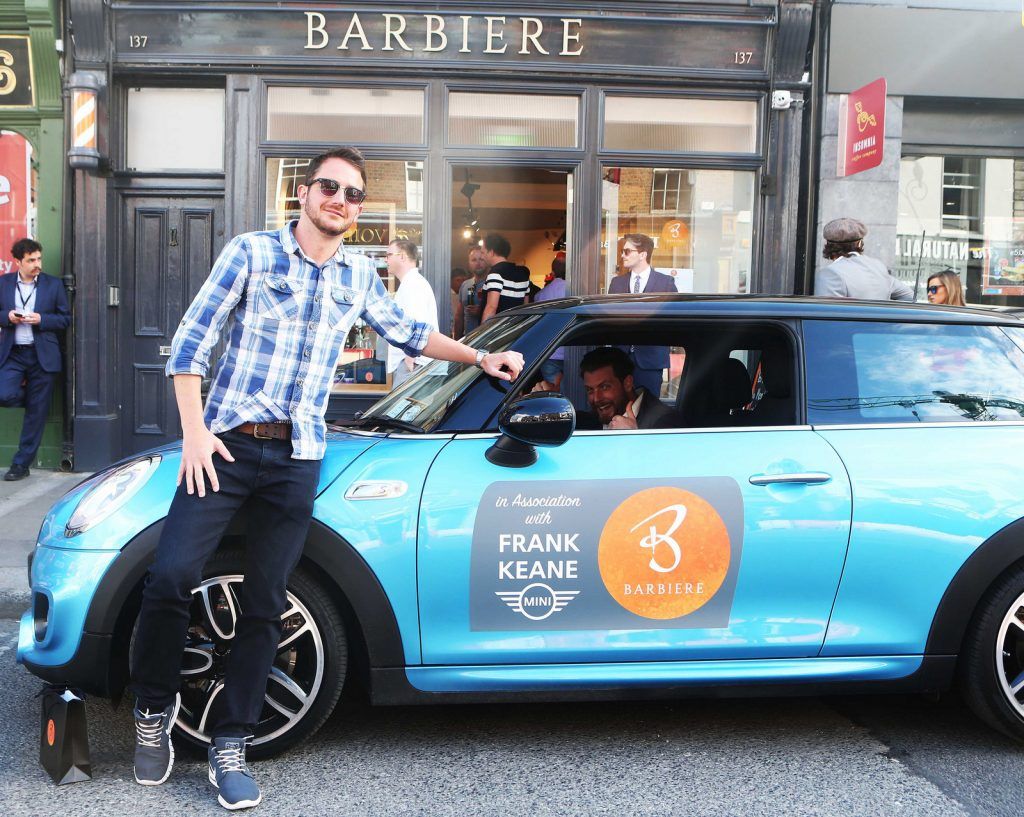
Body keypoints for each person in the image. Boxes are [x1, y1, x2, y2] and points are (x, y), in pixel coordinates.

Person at [129, 146, 523, 811]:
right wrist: (194, 430)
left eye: (353, 193)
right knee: (169, 577)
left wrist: (480, 354)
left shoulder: (358, 275)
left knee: (266, 602)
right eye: (330, 187)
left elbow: (410, 334)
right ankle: (152, 709)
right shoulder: (251, 253)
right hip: (223, 447)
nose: (341, 199)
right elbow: (192, 340)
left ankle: (231, 744)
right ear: (304, 193)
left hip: (297, 457)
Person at [0, 238, 70, 481]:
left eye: (38, 258)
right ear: (18, 262)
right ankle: (30, 398)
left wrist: (41, 319)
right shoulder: (4, 283)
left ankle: (21, 464)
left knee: (36, 414)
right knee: (4, 394)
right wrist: (7, 316)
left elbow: (64, 319)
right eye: (31, 260)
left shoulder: (53, 285)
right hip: (14, 354)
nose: (37, 264)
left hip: (43, 356)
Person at [607, 233, 675, 397]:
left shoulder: (665, 283)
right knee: (619, 409)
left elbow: (671, 321)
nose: (622, 255)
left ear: (643, 254)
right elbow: (608, 320)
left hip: (651, 360)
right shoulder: (617, 283)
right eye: (623, 251)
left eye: (627, 251)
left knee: (648, 412)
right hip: (620, 360)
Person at [576, 346, 681, 431]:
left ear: (627, 383)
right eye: (590, 390)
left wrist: (633, 437)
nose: (596, 398)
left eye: (604, 387)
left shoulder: (663, 421)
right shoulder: (584, 422)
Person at [814, 218, 913, 301]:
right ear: (859, 243)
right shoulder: (878, 267)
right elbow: (910, 296)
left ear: (827, 244)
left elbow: (826, 319)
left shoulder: (831, 273)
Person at [386, 239, 438, 388]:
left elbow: (416, 323)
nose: (386, 259)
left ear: (402, 256)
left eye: (389, 255)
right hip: (415, 363)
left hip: (414, 364)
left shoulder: (413, 284)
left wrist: (409, 360)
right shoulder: (413, 282)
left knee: (400, 410)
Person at [533, 253, 568, 391]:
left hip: (549, 352)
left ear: (552, 272)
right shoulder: (575, 291)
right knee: (574, 391)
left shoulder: (540, 295)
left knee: (554, 392)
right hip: (571, 351)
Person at [480, 234, 530, 322]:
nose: (482, 257)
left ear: (491, 252)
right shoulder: (523, 274)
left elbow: (491, 308)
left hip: (498, 330)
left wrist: (481, 334)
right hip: (515, 328)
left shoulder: (495, 274)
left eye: (483, 253)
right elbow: (525, 306)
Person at [453, 246, 489, 337]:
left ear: (487, 261)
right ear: (469, 264)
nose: (478, 263)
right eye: (474, 260)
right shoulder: (465, 285)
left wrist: (481, 312)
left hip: (487, 340)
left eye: (481, 259)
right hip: (468, 340)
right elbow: (459, 317)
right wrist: (457, 341)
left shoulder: (494, 283)